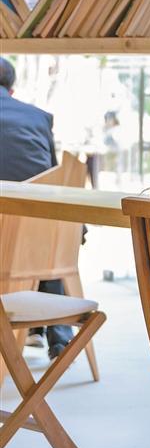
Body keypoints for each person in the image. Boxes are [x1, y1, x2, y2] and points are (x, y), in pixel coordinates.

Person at [0, 56, 73, 359]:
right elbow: (53, 178)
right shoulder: (39, 117)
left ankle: (35, 330)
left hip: (7, 240)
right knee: (42, 231)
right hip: (38, 235)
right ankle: (59, 338)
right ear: (12, 91)